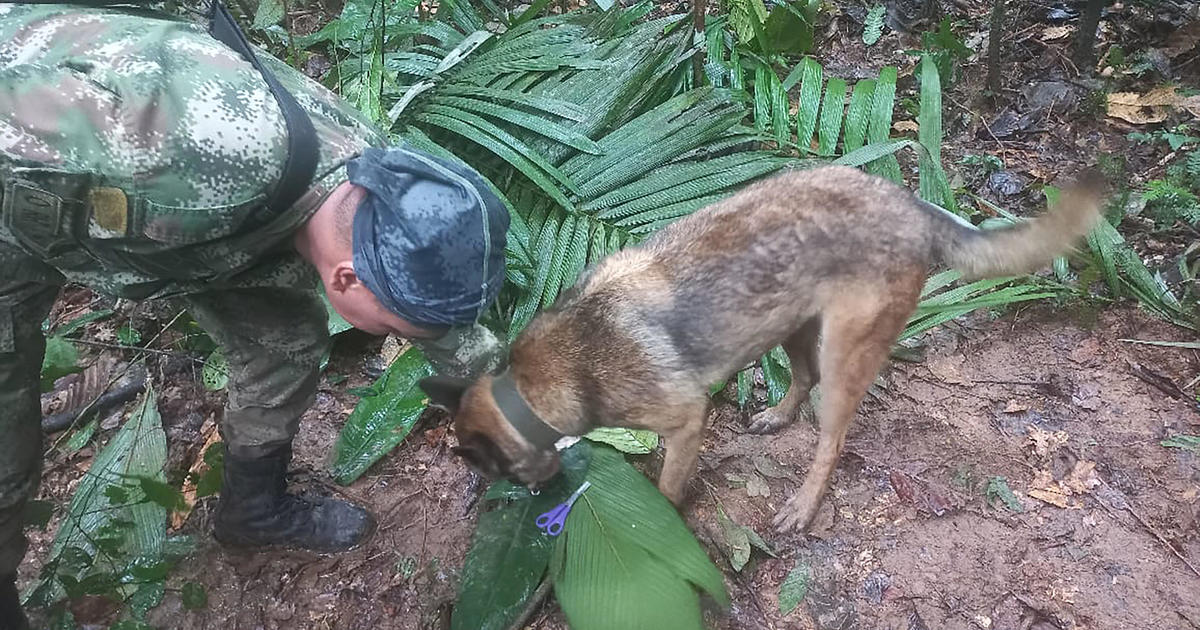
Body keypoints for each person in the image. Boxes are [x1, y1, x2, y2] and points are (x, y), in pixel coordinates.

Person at [0, 4, 509, 628]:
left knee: (285, 345)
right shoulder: (182, 175)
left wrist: (516, 417)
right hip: (25, 188)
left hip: (185, 219)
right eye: (396, 329)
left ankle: (252, 510)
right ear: (344, 278)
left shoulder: (377, 187)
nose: (401, 339)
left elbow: (442, 323)